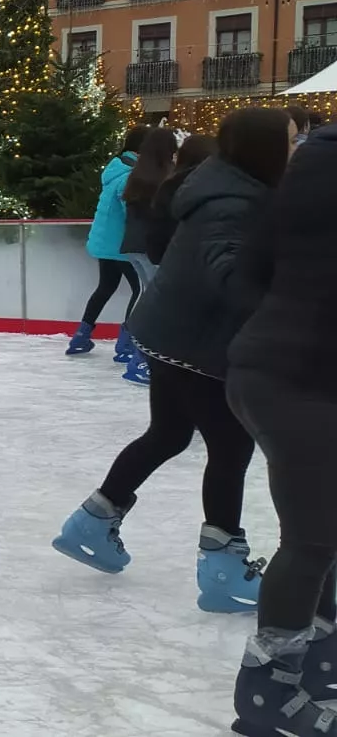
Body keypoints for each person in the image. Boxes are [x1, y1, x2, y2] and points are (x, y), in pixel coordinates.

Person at [52, 107, 293, 615]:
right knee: (230, 447)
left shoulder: (226, 185)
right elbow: (228, 270)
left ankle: (92, 522)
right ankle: (224, 566)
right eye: (292, 140)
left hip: (170, 334)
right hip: (198, 343)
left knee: (168, 435)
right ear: (266, 149)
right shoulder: (236, 201)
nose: (298, 148)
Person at [223, 119, 337, 737]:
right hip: (305, 380)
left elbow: (251, 269)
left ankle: (314, 660)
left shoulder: (306, 166)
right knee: (313, 538)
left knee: (322, 529)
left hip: (268, 366)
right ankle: (268, 691)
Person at [67, 127, 146, 359]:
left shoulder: (116, 168)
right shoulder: (131, 175)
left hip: (105, 243)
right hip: (121, 245)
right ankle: (127, 343)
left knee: (106, 287)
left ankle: (81, 335)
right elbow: (131, 212)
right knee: (140, 289)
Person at [115, 128, 180, 385]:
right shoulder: (165, 177)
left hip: (133, 246)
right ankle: (141, 358)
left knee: (147, 296)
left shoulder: (137, 175)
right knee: (158, 302)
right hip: (152, 248)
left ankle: (129, 344)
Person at [145, 134, 216, 265]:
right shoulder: (225, 184)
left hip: (176, 260)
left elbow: (159, 227)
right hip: (212, 262)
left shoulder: (170, 185)